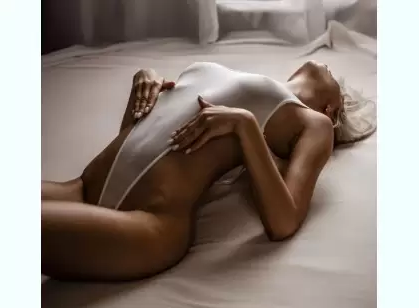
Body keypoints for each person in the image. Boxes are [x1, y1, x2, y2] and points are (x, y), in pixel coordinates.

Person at [42, 60, 376, 281]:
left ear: (332, 110)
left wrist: (245, 126)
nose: (330, 68)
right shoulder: (232, 75)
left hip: (149, 220)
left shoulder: (316, 124)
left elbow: (284, 221)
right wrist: (143, 85)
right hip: (83, 188)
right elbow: (149, 144)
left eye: (339, 84)